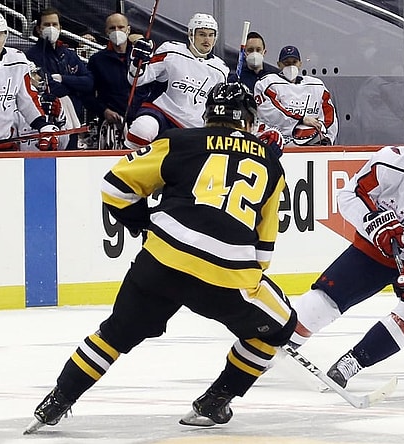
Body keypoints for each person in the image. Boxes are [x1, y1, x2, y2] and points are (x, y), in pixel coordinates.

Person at [24, 82, 296, 434]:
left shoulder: (179, 141)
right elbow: (263, 252)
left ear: (207, 112)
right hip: (227, 278)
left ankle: (56, 401)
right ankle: (214, 402)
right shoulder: (272, 167)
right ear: (248, 119)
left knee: (114, 335)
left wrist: (146, 225)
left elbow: (114, 187)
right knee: (282, 326)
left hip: (160, 262)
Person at [286, 111, 404, 387]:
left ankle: (354, 360)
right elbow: (351, 195)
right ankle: (280, 343)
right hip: (376, 251)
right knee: (323, 299)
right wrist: (374, 224)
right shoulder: (390, 160)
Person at [123, 12, 229, 149]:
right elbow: (137, 80)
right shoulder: (171, 51)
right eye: (202, 34)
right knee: (142, 129)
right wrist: (137, 62)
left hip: (194, 126)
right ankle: (125, 164)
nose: (207, 40)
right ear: (191, 34)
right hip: (163, 113)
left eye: (211, 35)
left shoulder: (221, 69)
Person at [25, 7, 94, 150]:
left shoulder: (69, 54)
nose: (51, 28)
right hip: (46, 121)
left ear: (60, 28)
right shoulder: (30, 56)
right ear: (38, 29)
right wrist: (74, 85)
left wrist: (64, 79)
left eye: (54, 24)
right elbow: (50, 87)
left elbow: (89, 82)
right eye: (46, 25)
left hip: (73, 119)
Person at [0, 11, 59, 152]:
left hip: (6, 144)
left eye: (0, 34)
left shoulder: (18, 60)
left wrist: (43, 125)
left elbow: (27, 99)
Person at [253, 45, 338, 146]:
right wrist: (301, 119)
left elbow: (330, 116)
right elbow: (270, 113)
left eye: (294, 62)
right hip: (276, 145)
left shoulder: (317, 85)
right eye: (286, 63)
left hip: (312, 147)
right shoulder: (266, 83)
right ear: (279, 64)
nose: (291, 66)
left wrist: (327, 139)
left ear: (300, 63)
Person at [84, 13, 147, 149]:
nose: (117, 31)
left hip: (142, 124)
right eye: (112, 28)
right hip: (112, 129)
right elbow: (87, 95)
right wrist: (104, 111)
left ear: (128, 30)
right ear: (106, 32)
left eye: (121, 27)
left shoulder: (141, 58)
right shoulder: (97, 60)